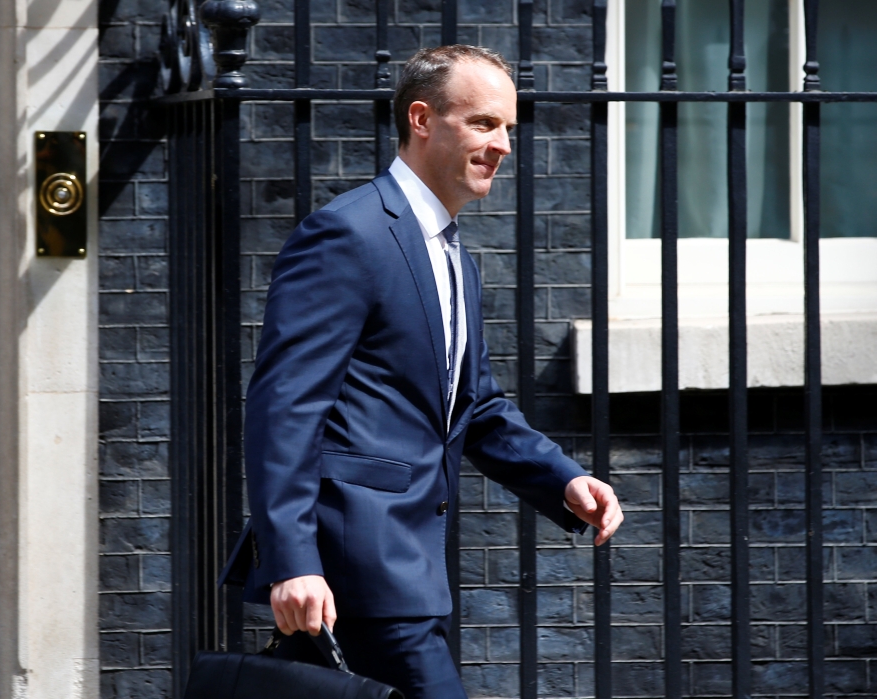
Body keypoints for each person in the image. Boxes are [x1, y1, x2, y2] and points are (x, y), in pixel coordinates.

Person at [220, 45, 624, 698]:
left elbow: (475, 404)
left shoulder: (455, 256)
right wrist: (292, 561)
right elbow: (285, 408)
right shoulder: (348, 235)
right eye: (484, 123)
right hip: (356, 567)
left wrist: (563, 480)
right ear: (421, 119)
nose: (503, 146)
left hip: (403, 567)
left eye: (508, 128)